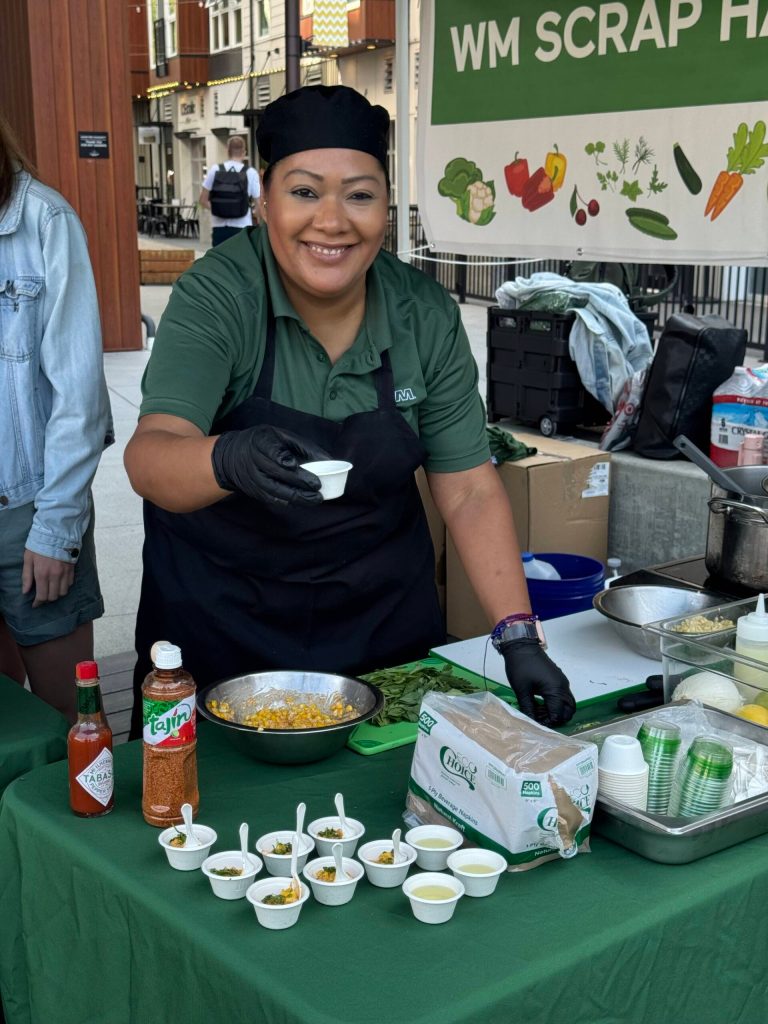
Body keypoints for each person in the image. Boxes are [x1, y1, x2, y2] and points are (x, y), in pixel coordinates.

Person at [124, 85, 574, 740]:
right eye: (304, 191)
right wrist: (224, 458)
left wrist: (518, 638)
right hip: (221, 632)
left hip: (381, 634)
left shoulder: (423, 314)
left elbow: (471, 489)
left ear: (387, 208)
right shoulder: (219, 294)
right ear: (263, 202)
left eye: (359, 194)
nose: (332, 221)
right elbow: (150, 453)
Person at [0, 115, 112, 722]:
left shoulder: (43, 219)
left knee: (68, 724)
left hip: (27, 514)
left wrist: (55, 530)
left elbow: (80, 397)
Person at [199, 135, 260, 247]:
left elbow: (203, 200)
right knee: (241, 262)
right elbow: (259, 204)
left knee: (220, 263)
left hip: (219, 228)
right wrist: (254, 214)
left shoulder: (215, 170)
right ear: (244, 152)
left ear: (227, 150)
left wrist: (219, 208)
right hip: (242, 228)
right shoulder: (250, 173)